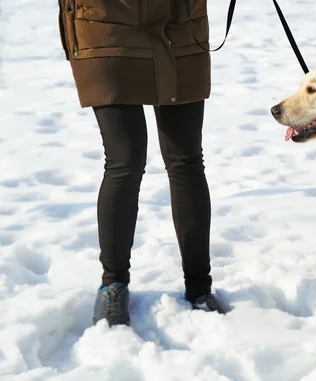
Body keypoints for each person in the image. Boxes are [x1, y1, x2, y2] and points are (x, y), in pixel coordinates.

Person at [57, 0, 225, 326]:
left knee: (186, 159)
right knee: (125, 159)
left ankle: (200, 288)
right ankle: (113, 285)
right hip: (105, 25)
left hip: (179, 20)